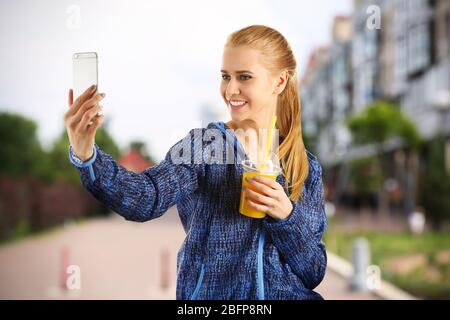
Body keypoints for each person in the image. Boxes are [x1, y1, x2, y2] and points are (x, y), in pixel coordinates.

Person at [64, 25, 327, 300]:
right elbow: (145, 197)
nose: (230, 90)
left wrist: (287, 216)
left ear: (280, 82)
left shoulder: (305, 167)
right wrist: (86, 154)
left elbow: (313, 271)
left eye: (244, 77)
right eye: (225, 77)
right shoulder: (202, 147)